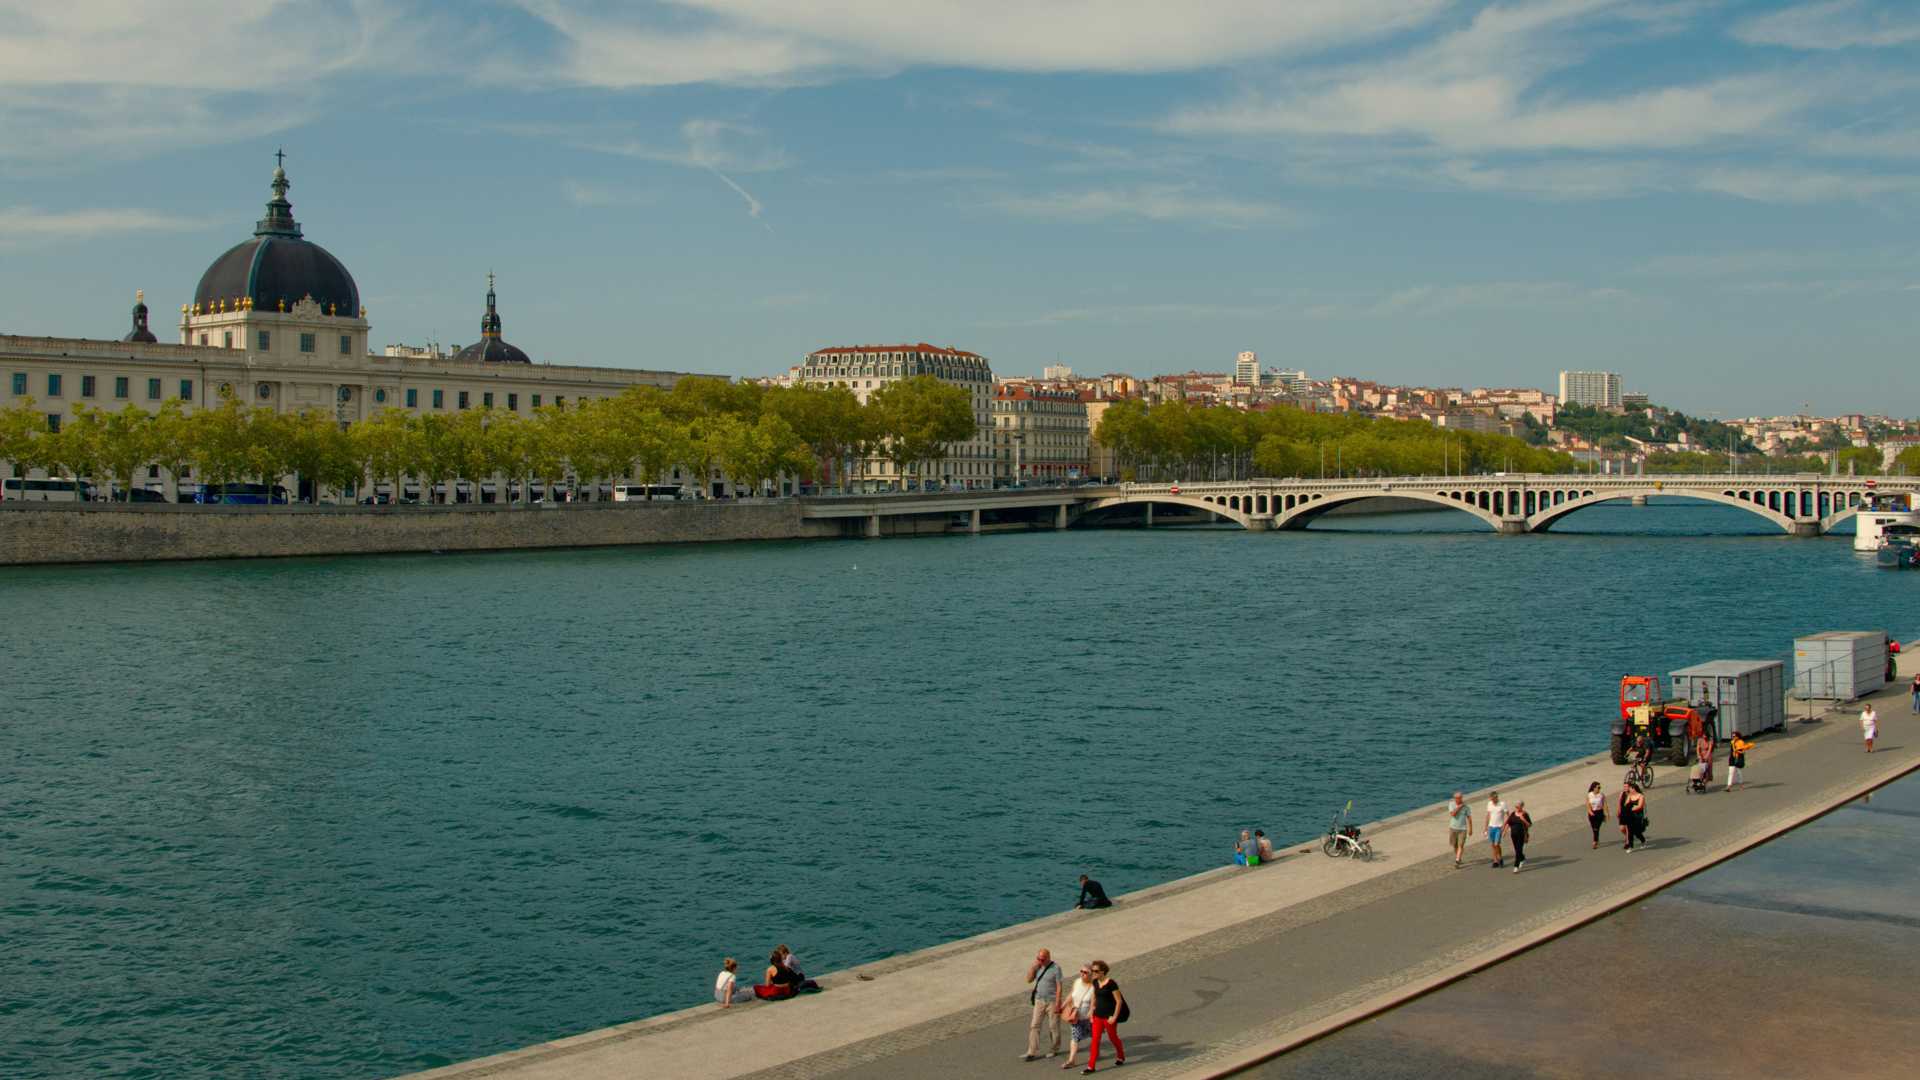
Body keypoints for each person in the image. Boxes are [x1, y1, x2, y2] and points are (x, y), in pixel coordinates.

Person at [1084, 960, 1125, 1073]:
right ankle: (1091, 1067)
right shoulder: (1095, 982)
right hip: (1098, 1016)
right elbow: (1094, 997)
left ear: (1103, 972)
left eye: (1096, 971)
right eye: (1092, 971)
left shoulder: (1111, 983)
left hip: (1109, 1017)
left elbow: (1119, 1001)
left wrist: (1114, 1017)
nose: (1093, 973)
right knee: (1095, 1040)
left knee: (1113, 1038)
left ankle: (1120, 1056)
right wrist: (1091, 1011)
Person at [1022, 948, 1063, 1061]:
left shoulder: (1056, 968)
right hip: (1039, 1000)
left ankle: (1054, 1048)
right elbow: (1029, 980)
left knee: (1053, 1027)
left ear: (1049, 957)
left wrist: (1058, 1003)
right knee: (1034, 1025)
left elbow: (1059, 987)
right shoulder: (1038, 966)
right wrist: (1033, 968)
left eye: (1042, 959)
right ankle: (1032, 1051)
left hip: (1052, 1001)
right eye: (1038, 958)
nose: (1040, 961)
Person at [1061, 964, 1096, 1071]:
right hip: (1075, 1017)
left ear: (1091, 974)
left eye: (1085, 972)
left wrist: (1091, 1013)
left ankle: (1095, 1052)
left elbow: (1094, 1003)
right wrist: (1062, 1005)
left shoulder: (1094, 987)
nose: (1082, 974)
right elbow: (1072, 994)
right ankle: (1071, 1060)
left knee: (1094, 1036)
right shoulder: (1077, 982)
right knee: (1074, 1037)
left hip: (1088, 1018)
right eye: (1081, 971)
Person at [1446, 792, 1472, 868]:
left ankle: (1457, 860)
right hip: (1453, 828)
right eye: (1456, 798)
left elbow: (1469, 818)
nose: (1458, 799)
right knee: (1455, 845)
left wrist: (1470, 829)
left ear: (1462, 798)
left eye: (1459, 798)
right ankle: (1459, 857)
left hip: (1463, 829)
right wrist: (1460, 806)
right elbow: (1453, 814)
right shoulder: (1451, 804)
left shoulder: (1466, 807)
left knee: (1461, 845)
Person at [1485, 791, 1509, 869]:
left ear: (1496, 797)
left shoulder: (1502, 804)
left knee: (1496, 844)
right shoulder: (1489, 804)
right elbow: (1488, 815)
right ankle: (1495, 860)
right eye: (1491, 799)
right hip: (1491, 826)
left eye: (1494, 799)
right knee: (1492, 844)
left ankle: (1500, 858)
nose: (1493, 800)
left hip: (1499, 827)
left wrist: (1505, 828)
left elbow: (1508, 816)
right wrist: (1485, 827)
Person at [1621, 782, 1648, 851]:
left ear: (1634, 789)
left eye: (1630, 788)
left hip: (1638, 816)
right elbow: (1626, 804)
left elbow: (1640, 806)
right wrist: (1631, 807)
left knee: (1637, 831)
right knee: (1630, 830)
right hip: (1630, 816)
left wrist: (1631, 807)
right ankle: (1630, 846)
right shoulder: (1630, 796)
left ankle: (1643, 840)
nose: (1629, 790)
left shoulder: (1641, 796)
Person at [1507, 801, 1532, 872]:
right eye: (1516, 807)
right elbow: (1509, 822)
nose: (1516, 808)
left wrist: (1523, 820)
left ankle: (1516, 866)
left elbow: (1529, 825)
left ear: (1522, 807)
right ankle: (1522, 857)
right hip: (1513, 834)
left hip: (1522, 834)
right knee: (1516, 849)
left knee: (1518, 849)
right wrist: (1504, 831)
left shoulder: (1525, 814)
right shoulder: (1513, 814)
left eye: (1518, 807)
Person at [1585, 782, 1607, 849]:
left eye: (1600, 787)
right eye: (1598, 787)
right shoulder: (1589, 795)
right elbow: (1588, 805)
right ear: (1594, 788)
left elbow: (1604, 805)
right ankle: (1596, 839)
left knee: (1596, 828)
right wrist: (1590, 812)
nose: (1599, 789)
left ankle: (1595, 842)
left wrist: (1606, 814)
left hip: (1599, 813)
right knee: (1594, 828)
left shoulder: (1601, 795)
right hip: (1592, 813)